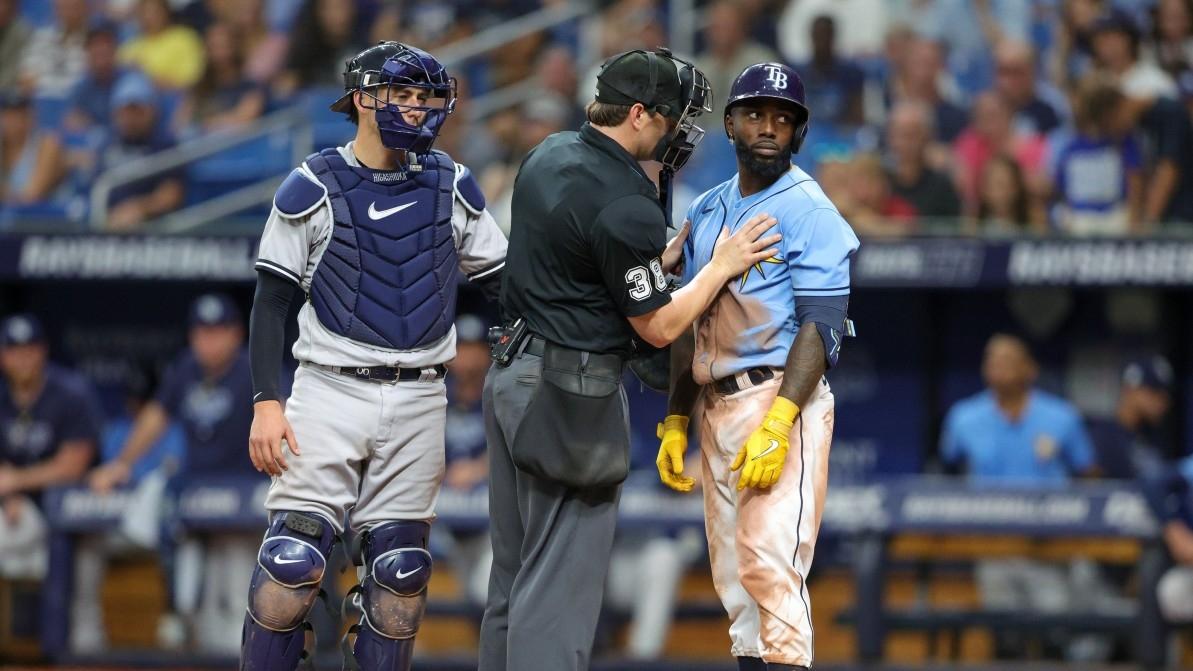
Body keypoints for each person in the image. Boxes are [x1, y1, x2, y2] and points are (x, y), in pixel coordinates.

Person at [480, 48, 781, 671]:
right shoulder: (624, 201)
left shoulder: (548, 154)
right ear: (639, 114)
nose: (680, 134)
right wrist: (722, 265)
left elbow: (588, 265)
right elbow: (661, 323)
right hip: (570, 393)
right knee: (556, 589)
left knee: (514, 575)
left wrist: (657, 264)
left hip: (512, 376)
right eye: (673, 119)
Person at [242, 41, 507, 671]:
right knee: (291, 568)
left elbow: (504, 282)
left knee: (401, 577)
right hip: (329, 388)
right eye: (402, 95)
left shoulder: (450, 180)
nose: (417, 110)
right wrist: (265, 402)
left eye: (426, 98)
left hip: (420, 393)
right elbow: (271, 302)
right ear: (363, 98)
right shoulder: (314, 182)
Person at [657, 62, 858, 671]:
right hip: (716, 400)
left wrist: (781, 421)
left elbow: (820, 323)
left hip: (778, 396)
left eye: (782, 118)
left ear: (799, 133)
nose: (768, 127)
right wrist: (675, 419)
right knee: (735, 583)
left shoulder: (810, 209)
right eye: (755, 114)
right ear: (730, 125)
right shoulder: (711, 207)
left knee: (770, 566)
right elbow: (687, 319)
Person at [86, 293, 259, 655]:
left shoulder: (254, 368)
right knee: (201, 598)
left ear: (236, 333)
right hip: (195, 493)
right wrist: (123, 462)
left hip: (244, 494)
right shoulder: (185, 368)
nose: (208, 341)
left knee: (239, 592)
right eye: (201, 332)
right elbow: (156, 416)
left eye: (217, 331)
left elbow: (288, 416)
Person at [940, 334, 1096, 656]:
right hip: (992, 543)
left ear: (1030, 370)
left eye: (1008, 361)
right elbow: (947, 472)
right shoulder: (964, 417)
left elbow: (1089, 475)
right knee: (1005, 636)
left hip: (1050, 547)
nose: (998, 369)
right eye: (992, 361)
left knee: (1055, 633)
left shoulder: (1061, 416)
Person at [0, 314, 102, 580]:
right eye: (14, 351)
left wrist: (16, 481)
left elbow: (72, 466)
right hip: (21, 510)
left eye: (29, 350)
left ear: (42, 351)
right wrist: (9, 494)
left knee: (81, 605)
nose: (22, 359)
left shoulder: (71, 393)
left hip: (77, 513)